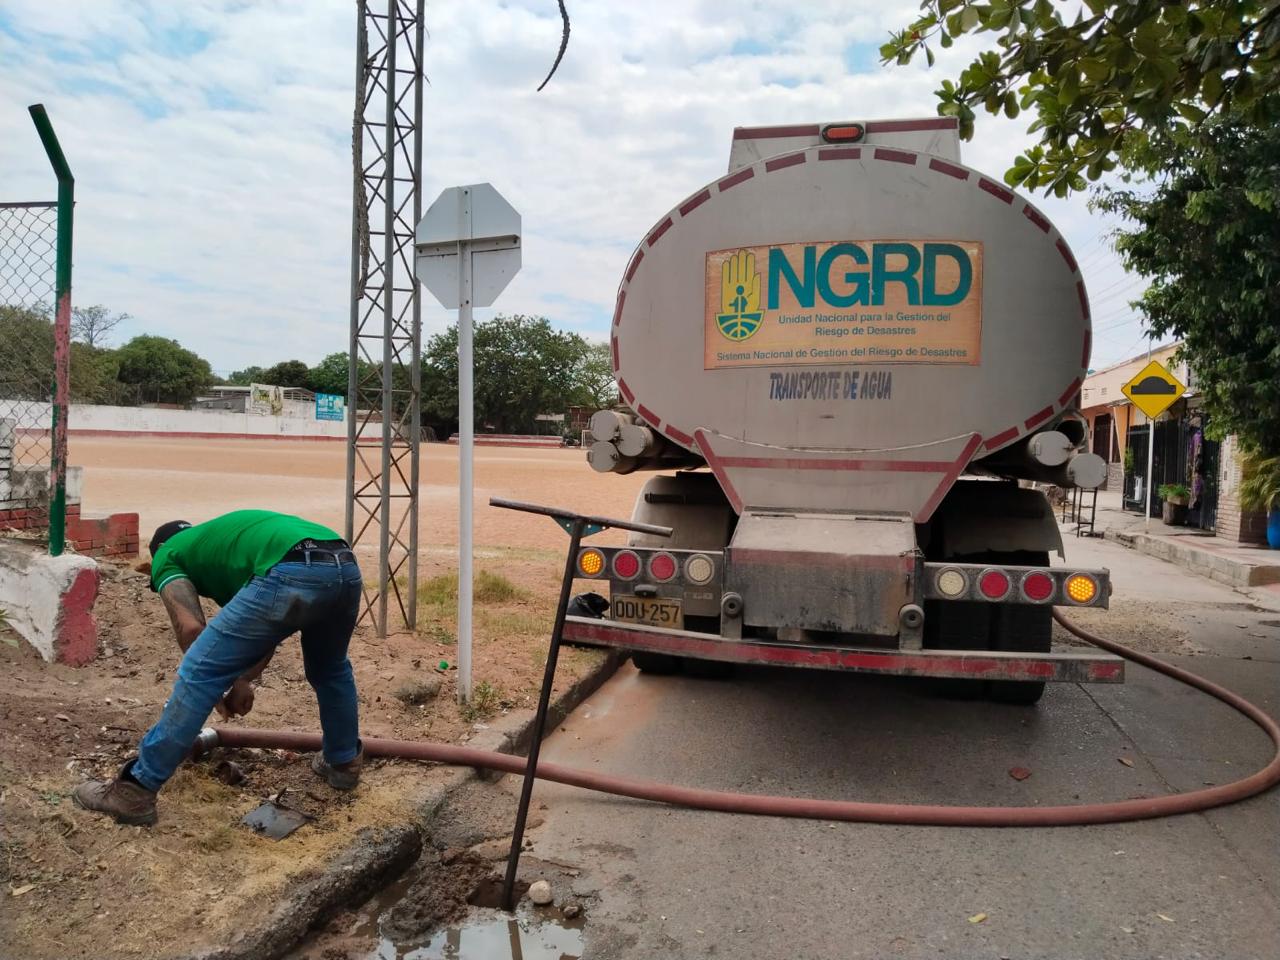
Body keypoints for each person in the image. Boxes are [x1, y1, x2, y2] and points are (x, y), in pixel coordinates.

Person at [73, 510, 364, 826]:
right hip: (342, 564)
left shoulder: (168, 552)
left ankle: (136, 789)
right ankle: (343, 762)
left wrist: (216, 686)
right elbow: (264, 631)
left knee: (198, 670)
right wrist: (240, 680)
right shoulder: (224, 547)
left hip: (291, 564)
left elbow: (191, 629)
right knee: (330, 668)